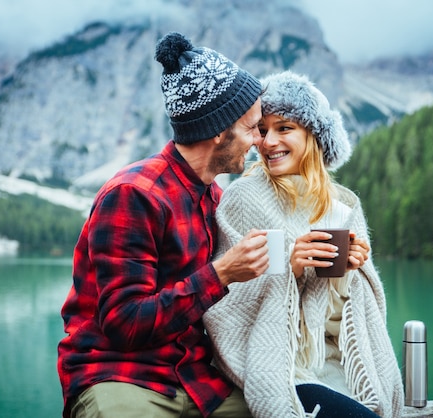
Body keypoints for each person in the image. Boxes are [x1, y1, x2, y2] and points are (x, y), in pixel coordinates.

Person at [57, 32, 272, 418]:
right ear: (220, 131)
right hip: (119, 375)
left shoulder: (213, 196)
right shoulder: (133, 195)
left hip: (195, 377)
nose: (259, 140)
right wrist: (221, 274)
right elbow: (125, 324)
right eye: (253, 127)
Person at [203, 71, 404, 418]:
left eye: (284, 128)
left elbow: (363, 317)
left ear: (313, 134)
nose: (268, 142)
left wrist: (352, 274)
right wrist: (290, 268)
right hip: (283, 367)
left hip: (344, 369)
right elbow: (223, 306)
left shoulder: (343, 205)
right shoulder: (243, 198)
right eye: (262, 130)